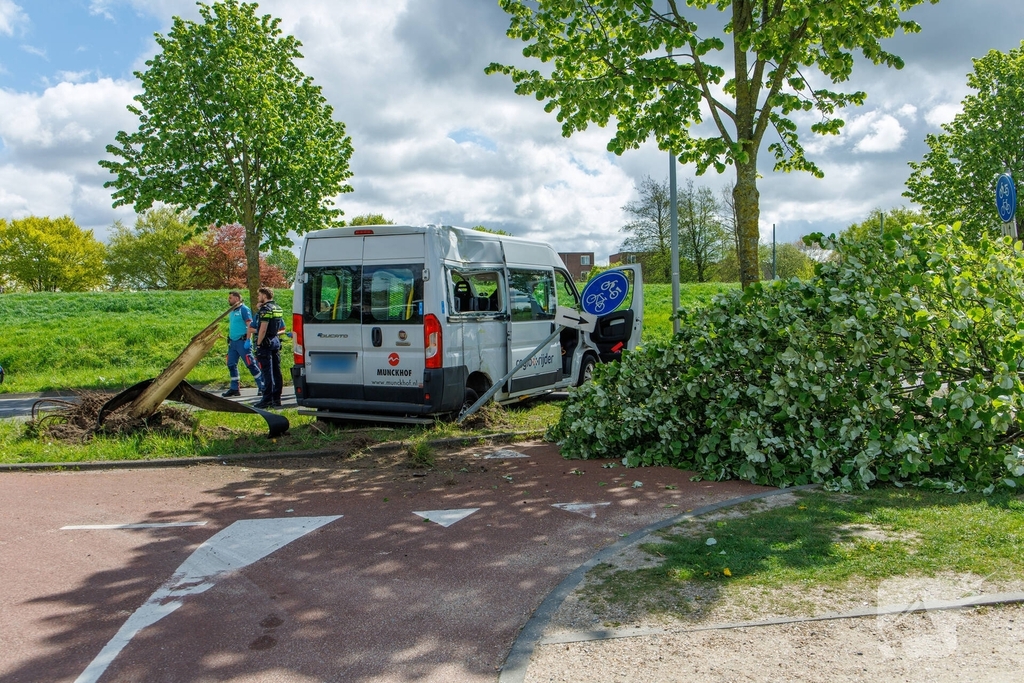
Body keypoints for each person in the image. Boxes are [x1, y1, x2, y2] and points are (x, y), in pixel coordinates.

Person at [222, 291, 264, 397]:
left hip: (242, 341)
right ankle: (234, 388)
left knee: (251, 364)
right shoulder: (232, 311)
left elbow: (250, 325)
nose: (229, 300)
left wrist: (248, 340)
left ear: (236, 299)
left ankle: (262, 386)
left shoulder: (244, 310)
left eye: (230, 298)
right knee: (231, 364)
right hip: (233, 343)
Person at [252, 286, 284, 409]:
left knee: (267, 371)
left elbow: (263, 328)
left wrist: (258, 343)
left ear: (264, 296)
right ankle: (277, 398)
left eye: (259, 295)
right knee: (277, 370)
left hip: (266, 342)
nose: (258, 297)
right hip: (275, 340)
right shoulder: (277, 308)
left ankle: (267, 399)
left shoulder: (265, 309)